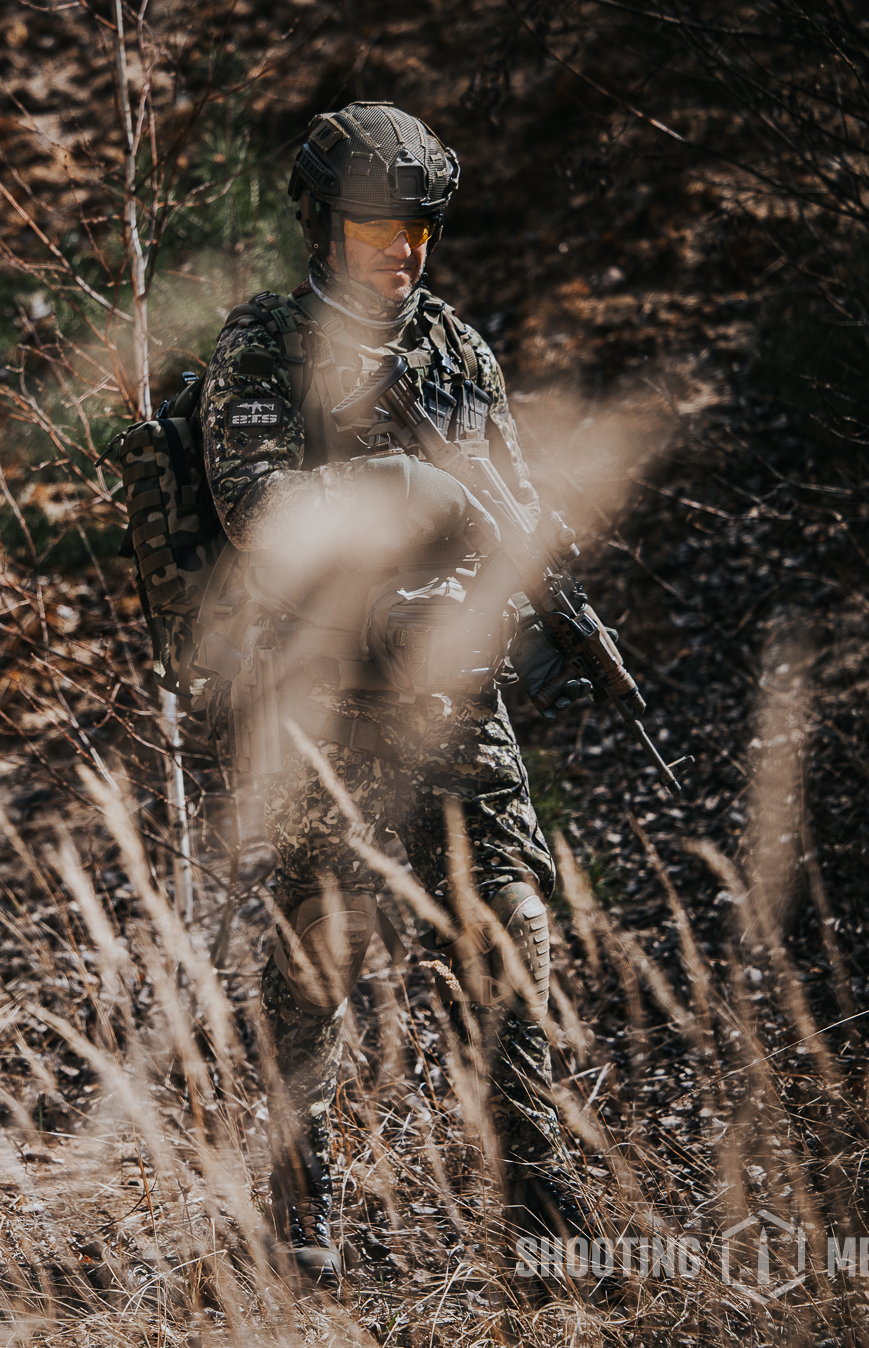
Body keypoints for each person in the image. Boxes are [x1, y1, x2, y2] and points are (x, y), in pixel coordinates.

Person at [196, 102, 593, 1282]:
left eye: (418, 225)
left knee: (509, 933)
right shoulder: (263, 346)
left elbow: (514, 501)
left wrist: (526, 574)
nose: (401, 246)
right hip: (323, 699)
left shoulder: (455, 352)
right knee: (315, 956)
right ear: (321, 221)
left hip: (451, 696)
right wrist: (404, 495)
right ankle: (293, 1208)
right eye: (378, 222)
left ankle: (544, 1210)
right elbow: (257, 512)